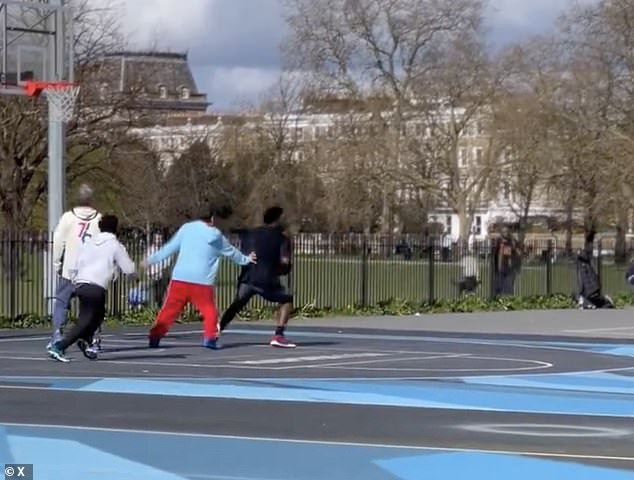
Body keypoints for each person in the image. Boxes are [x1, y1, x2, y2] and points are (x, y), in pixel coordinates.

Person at [143, 205, 257, 349]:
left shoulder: (187, 229)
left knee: (169, 310)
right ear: (213, 218)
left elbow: (170, 247)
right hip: (202, 281)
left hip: (180, 278)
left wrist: (151, 260)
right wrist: (246, 259)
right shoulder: (215, 235)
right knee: (209, 310)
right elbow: (231, 252)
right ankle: (209, 338)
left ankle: (155, 336)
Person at [47, 215, 137, 362]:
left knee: (99, 313)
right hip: (95, 286)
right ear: (115, 228)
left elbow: (78, 261)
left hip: (81, 283)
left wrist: (75, 278)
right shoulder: (115, 245)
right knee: (85, 318)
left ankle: (85, 338)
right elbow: (128, 267)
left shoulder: (89, 242)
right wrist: (134, 275)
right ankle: (59, 346)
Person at [219, 206, 296, 348]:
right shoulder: (282, 239)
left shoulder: (250, 233)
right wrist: (281, 270)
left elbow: (242, 248)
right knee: (287, 300)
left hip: (247, 277)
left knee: (237, 304)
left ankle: (217, 329)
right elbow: (285, 263)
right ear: (277, 219)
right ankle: (278, 335)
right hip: (266, 280)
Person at [47, 184, 102, 349]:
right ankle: (91, 338)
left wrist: (57, 263)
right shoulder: (99, 218)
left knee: (61, 303)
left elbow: (58, 242)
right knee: (92, 306)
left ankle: (57, 334)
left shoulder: (68, 218)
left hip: (70, 269)